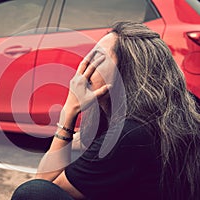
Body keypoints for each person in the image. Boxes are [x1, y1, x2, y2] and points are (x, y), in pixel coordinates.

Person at [11, 22, 200, 200]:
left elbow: (44, 185)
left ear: (126, 70)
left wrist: (68, 112)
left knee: (31, 192)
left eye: (98, 58)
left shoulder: (129, 135)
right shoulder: (182, 110)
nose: (83, 68)